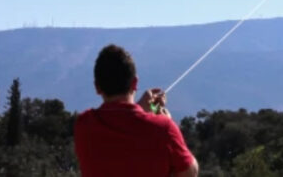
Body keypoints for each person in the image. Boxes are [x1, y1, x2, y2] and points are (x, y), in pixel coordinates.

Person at [75, 44, 199, 177]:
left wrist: (140, 108)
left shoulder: (84, 125)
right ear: (134, 83)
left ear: (97, 87)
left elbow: (122, 126)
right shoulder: (164, 129)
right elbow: (190, 172)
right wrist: (169, 124)